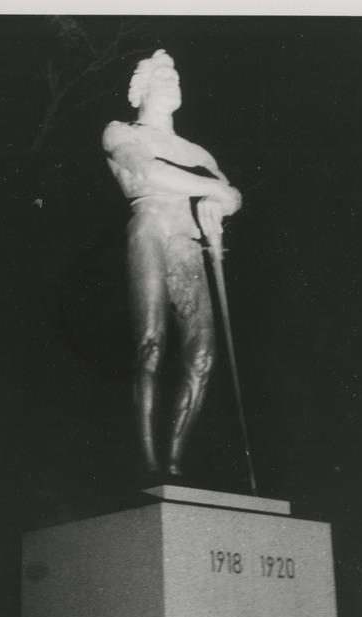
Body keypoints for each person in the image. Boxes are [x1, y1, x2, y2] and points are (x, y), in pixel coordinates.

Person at [103, 49, 242, 477]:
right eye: (163, 76)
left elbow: (232, 195)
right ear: (140, 89)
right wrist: (212, 190)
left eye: (176, 75)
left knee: (202, 355)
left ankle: (175, 458)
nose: (173, 81)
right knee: (151, 343)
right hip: (149, 227)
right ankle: (145, 460)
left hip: (185, 238)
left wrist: (219, 203)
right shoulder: (120, 131)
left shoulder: (197, 150)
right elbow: (148, 175)